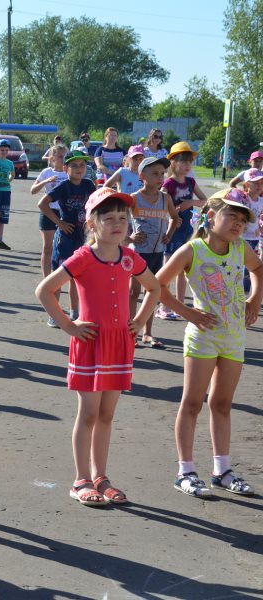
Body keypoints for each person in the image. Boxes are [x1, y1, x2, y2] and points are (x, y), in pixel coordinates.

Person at [36, 187, 160, 506]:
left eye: (123, 218)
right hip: (90, 342)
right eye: (109, 218)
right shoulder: (83, 257)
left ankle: (101, 477)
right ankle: (81, 480)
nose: (118, 224)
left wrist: (139, 320)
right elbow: (45, 291)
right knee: (89, 414)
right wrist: (69, 325)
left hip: (119, 344)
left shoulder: (130, 257)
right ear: (92, 223)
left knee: (106, 414)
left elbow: (154, 288)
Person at [156, 188, 262, 498]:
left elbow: (259, 269)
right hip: (202, 338)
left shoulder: (241, 248)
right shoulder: (192, 250)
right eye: (232, 216)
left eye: (243, 219)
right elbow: (157, 285)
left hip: (233, 338)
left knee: (222, 404)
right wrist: (188, 312)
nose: (237, 224)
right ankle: (185, 471)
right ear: (211, 215)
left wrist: (255, 299)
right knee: (192, 403)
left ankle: (222, 469)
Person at [38, 150, 97, 327]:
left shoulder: (88, 184)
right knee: (59, 277)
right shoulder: (63, 187)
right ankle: (54, 314)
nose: (79, 169)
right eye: (74, 165)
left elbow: (95, 205)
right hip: (65, 237)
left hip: (83, 236)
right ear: (65, 168)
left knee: (76, 276)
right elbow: (42, 204)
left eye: (82, 165)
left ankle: (74, 312)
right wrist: (59, 223)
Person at [127, 156, 179, 348]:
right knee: (134, 293)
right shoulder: (134, 198)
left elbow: (175, 218)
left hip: (158, 253)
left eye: (162, 174)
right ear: (142, 175)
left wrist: (169, 234)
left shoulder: (165, 198)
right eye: (155, 173)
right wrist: (129, 238)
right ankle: (130, 332)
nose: (160, 177)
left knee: (153, 292)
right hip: (138, 253)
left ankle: (147, 334)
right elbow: (120, 219)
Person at [159, 141, 207, 319]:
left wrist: (190, 203)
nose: (187, 165)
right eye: (183, 161)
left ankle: (179, 305)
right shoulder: (169, 184)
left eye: (189, 162)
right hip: (171, 230)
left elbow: (204, 201)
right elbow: (160, 204)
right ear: (173, 162)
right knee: (168, 269)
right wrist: (175, 212)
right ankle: (164, 306)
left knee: (183, 269)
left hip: (187, 229)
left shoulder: (191, 182)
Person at [31, 143, 69, 278]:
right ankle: (46, 278)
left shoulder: (68, 172)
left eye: (65, 156)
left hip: (65, 213)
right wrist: (46, 181)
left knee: (64, 248)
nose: (63, 159)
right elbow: (33, 190)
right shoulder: (47, 172)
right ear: (52, 158)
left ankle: (59, 277)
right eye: (60, 156)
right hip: (48, 211)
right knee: (48, 247)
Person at [240, 169, 263, 291]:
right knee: (240, 265)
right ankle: (239, 289)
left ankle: (246, 291)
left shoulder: (261, 201)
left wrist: (260, 227)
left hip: (254, 238)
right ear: (247, 184)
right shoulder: (243, 199)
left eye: (261, 183)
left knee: (250, 266)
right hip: (242, 238)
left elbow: (259, 216)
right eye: (256, 183)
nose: (259, 186)